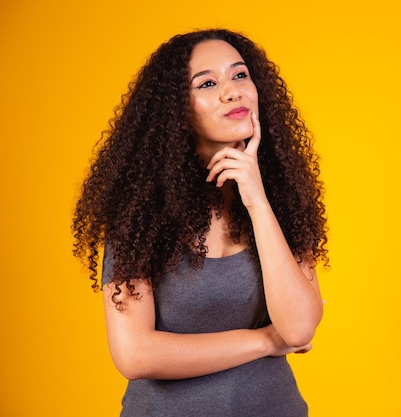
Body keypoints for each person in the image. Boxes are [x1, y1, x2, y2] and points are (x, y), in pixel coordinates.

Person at [72, 28, 328, 417]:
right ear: (177, 110)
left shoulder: (282, 199)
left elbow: (297, 329)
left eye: (240, 75)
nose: (232, 91)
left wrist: (258, 201)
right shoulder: (140, 212)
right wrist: (263, 342)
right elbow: (135, 355)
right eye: (207, 83)